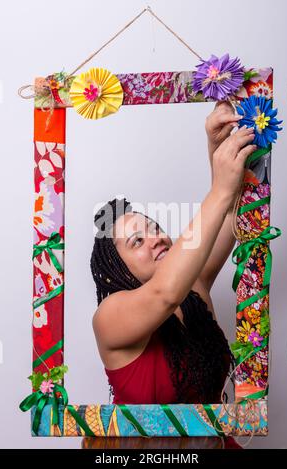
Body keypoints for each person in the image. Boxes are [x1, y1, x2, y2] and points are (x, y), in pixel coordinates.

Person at [89, 102, 256, 449]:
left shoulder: (194, 287)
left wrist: (219, 148)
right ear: (118, 271)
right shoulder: (110, 316)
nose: (158, 238)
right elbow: (163, 295)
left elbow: (229, 216)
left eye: (155, 228)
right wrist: (219, 190)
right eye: (137, 241)